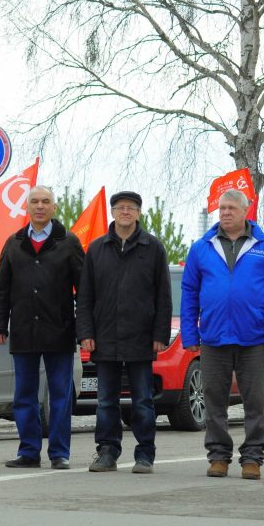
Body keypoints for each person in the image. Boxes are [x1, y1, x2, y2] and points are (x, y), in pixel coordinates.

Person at [181, 189, 264, 481]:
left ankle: (252, 458)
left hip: (254, 338)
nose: (225, 212)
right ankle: (218, 457)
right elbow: (189, 292)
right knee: (214, 401)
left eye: (231, 208)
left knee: (255, 402)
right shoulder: (202, 247)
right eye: (221, 208)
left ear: (245, 211)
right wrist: (190, 334)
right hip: (214, 339)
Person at [76, 191, 172, 475]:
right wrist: (86, 332)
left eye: (131, 208)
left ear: (139, 213)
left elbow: (163, 296)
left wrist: (159, 334)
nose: (125, 212)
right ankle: (107, 452)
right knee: (106, 400)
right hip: (104, 337)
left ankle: (145, 454)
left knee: (142, 399)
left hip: (141, 337)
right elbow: (85, 296)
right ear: (113, 212)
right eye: (120, 208)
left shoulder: (153, 248)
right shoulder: (96, 249)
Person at [0, 186, 83, 470]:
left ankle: (59, 453)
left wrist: (84, 329)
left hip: (60, 330)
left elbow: (86, 290)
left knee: (60, 395)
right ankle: (29, 451)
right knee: (24, 396)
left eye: (45, 202)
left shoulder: (68, 242)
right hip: (23, 331)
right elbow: (1, 289)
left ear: (54, 207)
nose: (40, 206)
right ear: (26, 208)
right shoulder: (14, 243)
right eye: (34, 202)